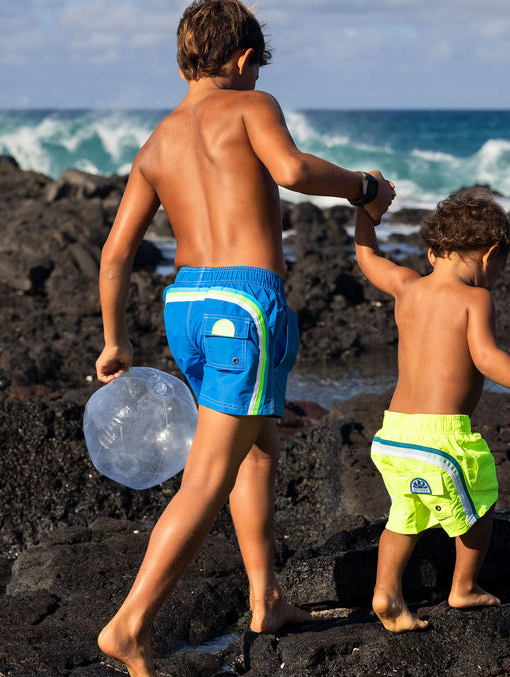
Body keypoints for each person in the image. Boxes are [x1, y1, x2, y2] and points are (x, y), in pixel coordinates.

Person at [95, 1, 395, 674]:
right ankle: (129, 623)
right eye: (255, 69)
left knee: (255, 449)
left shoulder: (156, 141)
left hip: (187, 304)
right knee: (206, 478)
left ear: (182, 63)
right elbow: (290, 171)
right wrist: (363, 187)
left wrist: (115, 341)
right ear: (242, 61)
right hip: (244, 307)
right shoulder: (251, 107)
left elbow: (116, 255)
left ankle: (266, 600)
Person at [354, 187, 510, 634]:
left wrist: (366, 212)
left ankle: (387, 592)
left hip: (393, 434)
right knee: (482, 506)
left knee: (405, 515)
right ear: (490, 254)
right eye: (501, 265)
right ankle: (463, 586)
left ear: (431, 251)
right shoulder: (475, 299)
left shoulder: (407, 286)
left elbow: (368, 259)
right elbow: (486, 357)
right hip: (441, 438)